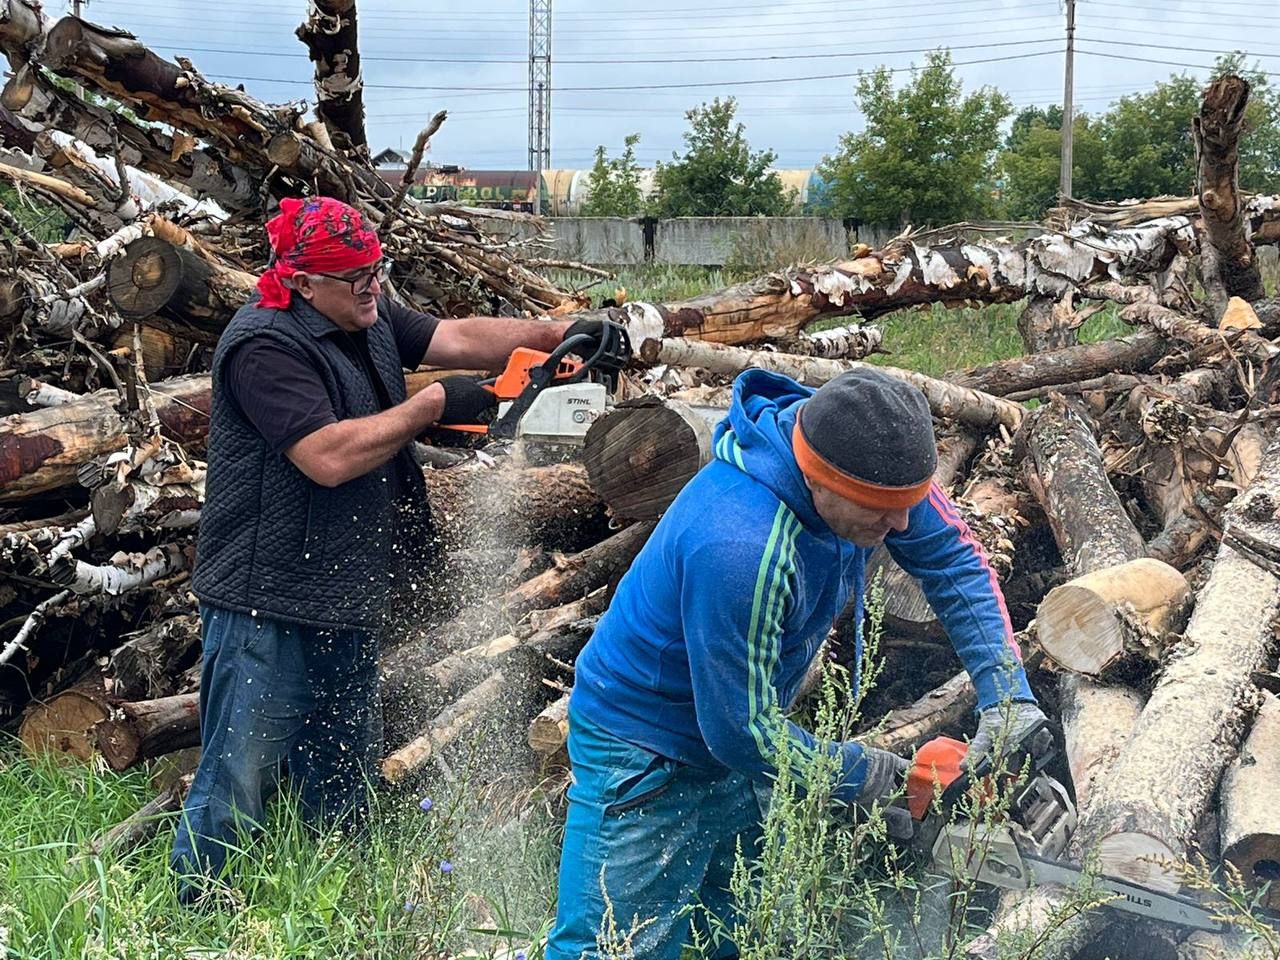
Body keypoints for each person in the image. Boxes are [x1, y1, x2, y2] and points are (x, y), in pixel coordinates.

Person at [170, 195, 621, 901]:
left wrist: (560, 330)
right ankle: (195, 906)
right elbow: (323, 456)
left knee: (344, 768)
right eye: (357, 278)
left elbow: (459, 336)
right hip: (267, 598)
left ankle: (335, 903)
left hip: (345, 591)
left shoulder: (365, 314)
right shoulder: (265, 344)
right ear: (304, 283)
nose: (373, 287)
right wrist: (433, 407)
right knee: (239, 772)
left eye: (376, 271)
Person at [545, 367, 1045, 959]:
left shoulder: (869, 453)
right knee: (613, 947)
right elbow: (741, 732)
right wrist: (865, 776)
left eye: (909, 503)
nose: (902, 525)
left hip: (743, 721)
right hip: (646, 744)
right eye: (883, 510)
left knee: (732, 930)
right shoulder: (740, 544)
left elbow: (952, 559)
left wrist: (1007, 694)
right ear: (820, 479)